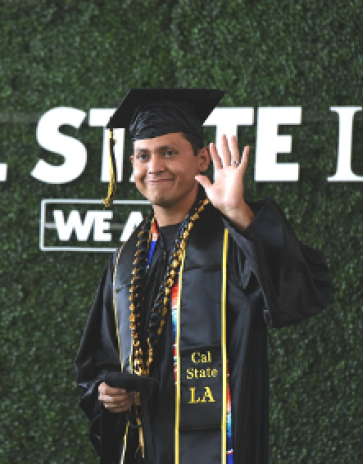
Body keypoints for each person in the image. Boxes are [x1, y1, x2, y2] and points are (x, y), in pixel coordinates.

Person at [75, 89, 332, 464]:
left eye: (168, 152)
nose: (154, 167)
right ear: (131, 164)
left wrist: (238, 212)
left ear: (200, 159)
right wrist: (106, 392)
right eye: (143, 156)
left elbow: (302, 293)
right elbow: (99, 361)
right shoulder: (125, 258)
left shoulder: (235, 238)